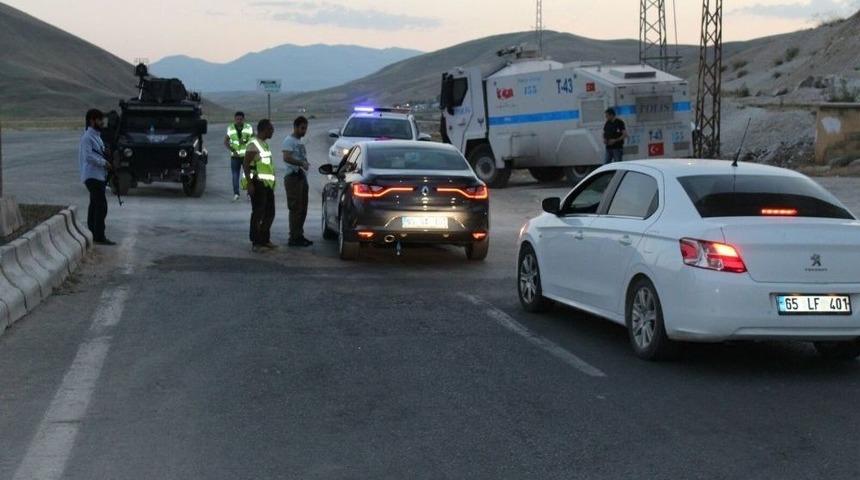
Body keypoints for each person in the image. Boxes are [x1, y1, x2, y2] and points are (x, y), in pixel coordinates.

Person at [78, 109, 115, 245]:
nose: (102, 122)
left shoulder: (97, 137)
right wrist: (104, 163)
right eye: (99, 120)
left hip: (99, 176)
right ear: (92, 121)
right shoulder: (87, 137)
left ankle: (93, 233)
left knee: (94, 205)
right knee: (101, 206)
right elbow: (88, 157)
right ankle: (99, 236)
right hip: (92, 176)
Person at [243, 119, 277, 251]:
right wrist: (250, 184)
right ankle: (256, 242)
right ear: (264, 130)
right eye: (270, 129)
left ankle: (265, 239)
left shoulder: (264, 144)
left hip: (267, 185)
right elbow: (246, 164)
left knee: (270, 213)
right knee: (258, 213)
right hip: (257, 184)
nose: (272, 131)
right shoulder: (253, 144)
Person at [282, 116, 313, 248]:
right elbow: (287, 157)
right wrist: (301, 163)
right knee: (295, 208)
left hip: (301, 176)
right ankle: (293, 237)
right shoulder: (289, 140)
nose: (304, 131)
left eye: (305, 128)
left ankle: (299, 235)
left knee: (302, 208)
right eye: (302, 128)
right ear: (295, 127)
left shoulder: (299, 142)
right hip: (293, 177)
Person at [225, 111, 254, 201]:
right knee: (235, 175)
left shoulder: (249, 127)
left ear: (244, 119)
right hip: (235, 156)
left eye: (241, 119)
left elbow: (254, 139)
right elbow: (225, 141)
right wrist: (232, 150)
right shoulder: (230, 128)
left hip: (246, 156)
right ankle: (236, 194)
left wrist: (247, 142)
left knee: (248, 175)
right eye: (237, 119)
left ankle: (249, 193)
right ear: (234, 119)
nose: (239, 121)